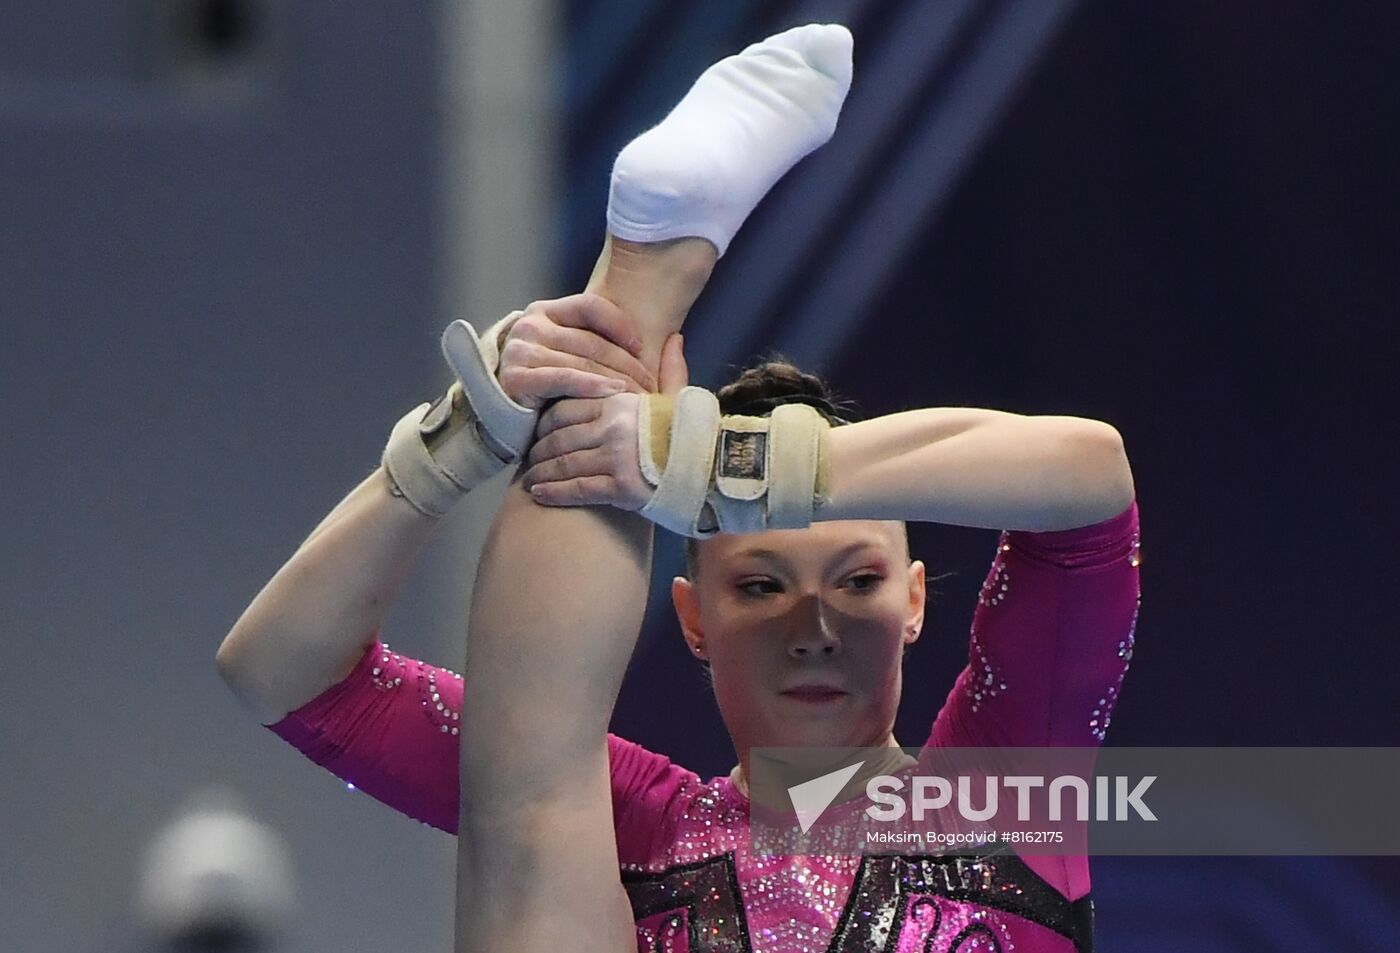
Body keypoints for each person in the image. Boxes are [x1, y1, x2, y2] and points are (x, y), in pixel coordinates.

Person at [217, 23, 1141, 953]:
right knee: (532, 800)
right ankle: (644, 276)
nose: (812, 627)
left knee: (532, 799)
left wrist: (736, 474)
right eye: (760, 584)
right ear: (694, 617)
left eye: (856, 581)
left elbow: (1091, 480)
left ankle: (642, 271)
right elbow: (282, 671)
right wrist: (449, 450)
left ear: (913, 602)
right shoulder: (649, 824)